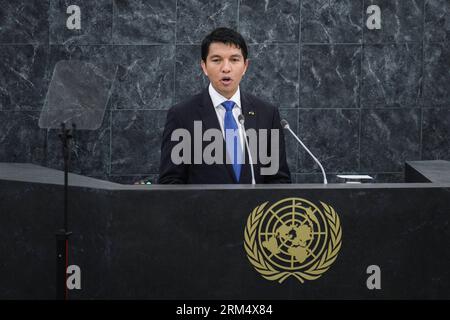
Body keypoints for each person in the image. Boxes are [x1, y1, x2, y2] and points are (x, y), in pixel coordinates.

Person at [158, 27, 291, 184]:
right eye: (216, 60)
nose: (226, 68)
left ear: (245, 66)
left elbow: (278, 180)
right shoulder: (182, 115)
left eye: (234, 60)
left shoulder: (267, 114)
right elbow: (171, 182)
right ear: (204, 67)